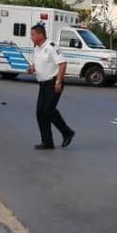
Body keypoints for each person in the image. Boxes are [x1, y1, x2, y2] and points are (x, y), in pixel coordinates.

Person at [26, 22, 74, 150]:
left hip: (53, 83)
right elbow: (38, 64)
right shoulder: (37, 48)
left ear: (41, 35)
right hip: (42, 84)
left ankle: (67, 132)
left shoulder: (51, 47)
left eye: (33, 34)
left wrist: (58, 81)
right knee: (40, 113)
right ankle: (47, 142)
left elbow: (63, 64)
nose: (31, 37)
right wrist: (32, 68)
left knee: (48, 110)